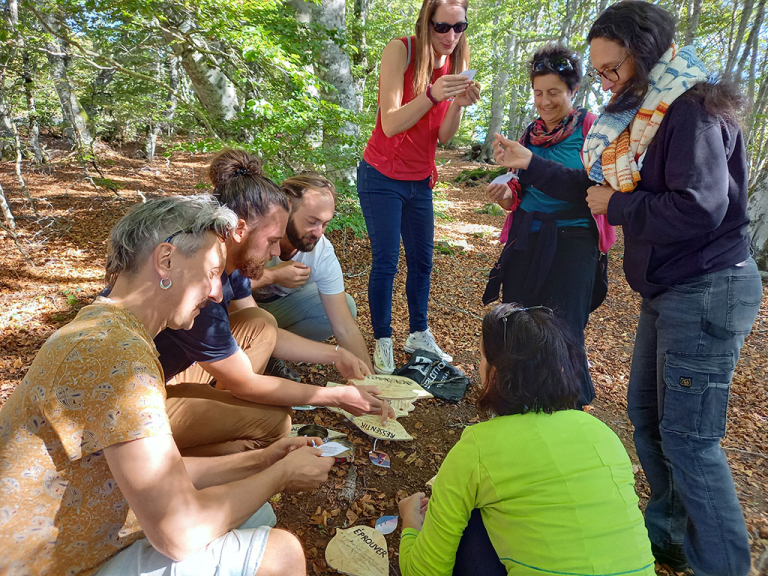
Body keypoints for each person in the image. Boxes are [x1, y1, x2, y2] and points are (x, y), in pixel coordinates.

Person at [492, 2, 763, 573]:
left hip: (708, 286)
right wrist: (530, 163)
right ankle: (666, 533)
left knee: (690, 440)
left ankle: (724, 564)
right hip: (667, 288)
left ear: (645, 57)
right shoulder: (641, 119)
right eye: (601, 72)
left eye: (614, 69)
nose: (607, 81)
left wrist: (618, 206)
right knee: (645, 414)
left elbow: (703, 206)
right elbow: (586, 184)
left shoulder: (690, 110)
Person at [0, 195, 334, 576]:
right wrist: (283, 475)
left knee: (257, 509)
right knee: (282, 554)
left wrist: (265, 459)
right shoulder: (115, 358)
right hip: (54, 563)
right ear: (166, 260)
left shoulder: (107, 331)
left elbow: (160, 473)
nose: (216, 293)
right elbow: (179, 533)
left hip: (82, 533)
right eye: (211, 272)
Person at [155, 150, 394, 457]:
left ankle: (215, 415)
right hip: (142, 398)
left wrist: (336, 356)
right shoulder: (203, 278)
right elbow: (243, 381)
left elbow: (261, 329)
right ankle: (183, 460)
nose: (274, 253)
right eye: (271, 241)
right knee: (275, 424)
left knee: (262, 323)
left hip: (175, 368)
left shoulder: (231, 261)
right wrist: (334, 396)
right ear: (240, 230)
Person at [397, 304, 655, 576]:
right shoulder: (603, 433)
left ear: (495, 373)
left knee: (471, 521)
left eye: (482, 358)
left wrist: (410, 524)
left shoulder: (479, 447)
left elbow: (423, 572)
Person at [483, 42, 615, 408]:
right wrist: (507, 196)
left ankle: (567, 409)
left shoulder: (593, 130)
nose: (544, 102)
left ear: (574, 90)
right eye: (538, 92)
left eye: (554, 92)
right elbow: (521, 192)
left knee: (565, 330)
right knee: (516, 323)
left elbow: (592, 190)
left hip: (574, 240)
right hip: (527, 237)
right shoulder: (530, 135)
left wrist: (529, 163)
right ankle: (515, 403)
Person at [357, 0, 481, 374]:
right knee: (386, 262)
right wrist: (432, 93)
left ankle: (418, 333)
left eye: (459, 28)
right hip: (381, 175)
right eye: (442, 26)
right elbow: (391, 123)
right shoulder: (401, 50)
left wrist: (457, 103)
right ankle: (383, 339)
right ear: (426, 22)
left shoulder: (457, 62)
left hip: (420, 180)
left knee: (423, 262)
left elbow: (443, 136)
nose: (450, 36)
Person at [252, 173, 374, 372]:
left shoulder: (321, 252)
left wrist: (372, 383)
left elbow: (344, 327)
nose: (318, 232)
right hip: (238, 312)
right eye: (312, 221)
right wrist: (273, 275)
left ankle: (271, 355)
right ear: (287, 206)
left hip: (276, 312)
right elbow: (223, 289)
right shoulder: (254, 232)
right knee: (252, 319)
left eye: (325, 224)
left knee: (347, 306)